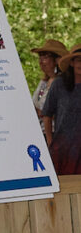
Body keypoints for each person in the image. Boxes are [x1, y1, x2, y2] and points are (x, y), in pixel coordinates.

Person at [42, 42, 81, 175]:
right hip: (61, 149)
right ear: (71, 63)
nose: (80, 64)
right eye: (78, 60)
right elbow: (46, 113)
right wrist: (49, 140)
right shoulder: (59, 84)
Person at [30, 38, 67, 132]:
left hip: (56, 133)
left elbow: (64, 112)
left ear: (56, 60)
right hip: (40, 132)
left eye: (45, 57)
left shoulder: (63, 83)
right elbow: (36, 104)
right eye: (40, 57)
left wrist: (42, 113)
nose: (41, 61)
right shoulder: (44, 82)